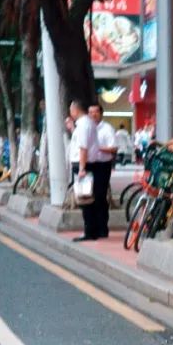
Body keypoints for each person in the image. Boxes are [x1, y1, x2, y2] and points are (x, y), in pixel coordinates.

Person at [67, 99, 101, 241]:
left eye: (71, 110)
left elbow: (83, 148)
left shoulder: (83, 125)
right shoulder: (86, 124)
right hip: (86, 164)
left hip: (84, 166)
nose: (70, 113)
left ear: (75, 110)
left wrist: (82, 168)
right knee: (87, 199)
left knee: (85, 199)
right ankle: (92, 230)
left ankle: (89, 231)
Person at [89, 103, 117, 230]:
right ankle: (92, 226)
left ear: (101, 114)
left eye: (96, 112)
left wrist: (98, 148)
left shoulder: (107, 129)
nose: (93, 115)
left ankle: (102, 227)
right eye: (91, 112)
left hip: (102, 165)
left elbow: (113, 148)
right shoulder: (87, 128)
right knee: (89, 197)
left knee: (100, 196)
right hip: (89, 165)